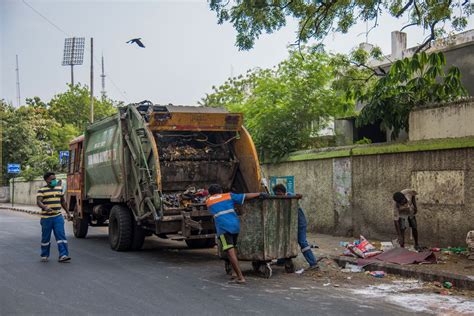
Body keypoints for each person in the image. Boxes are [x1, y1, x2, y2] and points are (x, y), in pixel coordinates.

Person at [206, 184, 263, 284]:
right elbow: (245, 196)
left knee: (230, 252)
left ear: (210, 193)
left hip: (223, 229)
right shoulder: (228, 195)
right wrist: (259, 193)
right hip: (235, 226)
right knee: (234, 248)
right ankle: (234, 273)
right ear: (221, 191)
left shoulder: (209, 201)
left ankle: (241, 277)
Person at [273, 184, 318, 270]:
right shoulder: (278, 199)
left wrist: (296, 196)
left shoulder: (289, 195)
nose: (278, 196)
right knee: (284, 241)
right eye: (276, 194)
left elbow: (299, 195)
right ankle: (281, 261)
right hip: (290, 224)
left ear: (283, 192)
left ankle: (313, 263)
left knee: (302, 242)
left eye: (279, 194)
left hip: (300, 223)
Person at [37, 172, 72, 262]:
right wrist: (45, 207)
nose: (54, 181)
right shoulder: (42, 190)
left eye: (55, 179)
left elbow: (63, 201)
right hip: (46, 218)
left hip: (57, 217)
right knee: (46, 237)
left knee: (61, 235)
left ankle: (63, 255)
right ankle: (44, 255)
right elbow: (39, 202)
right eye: (52, 179)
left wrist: (68, 213)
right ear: (47, 180)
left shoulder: (59, 188)